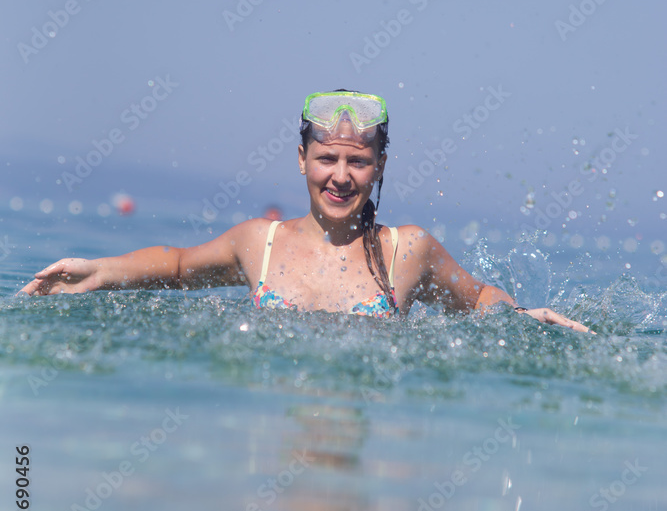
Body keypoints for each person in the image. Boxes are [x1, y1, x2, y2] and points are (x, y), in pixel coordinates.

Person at [19, 90, 590, 331]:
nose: (340, 176)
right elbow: (174, 266)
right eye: (326, 159)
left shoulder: (406, 250)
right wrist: (93, 272)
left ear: (380, 167)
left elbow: (477, 299)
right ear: (301, 160)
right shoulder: (257, 243)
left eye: (358, 162)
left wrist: (522, 319)